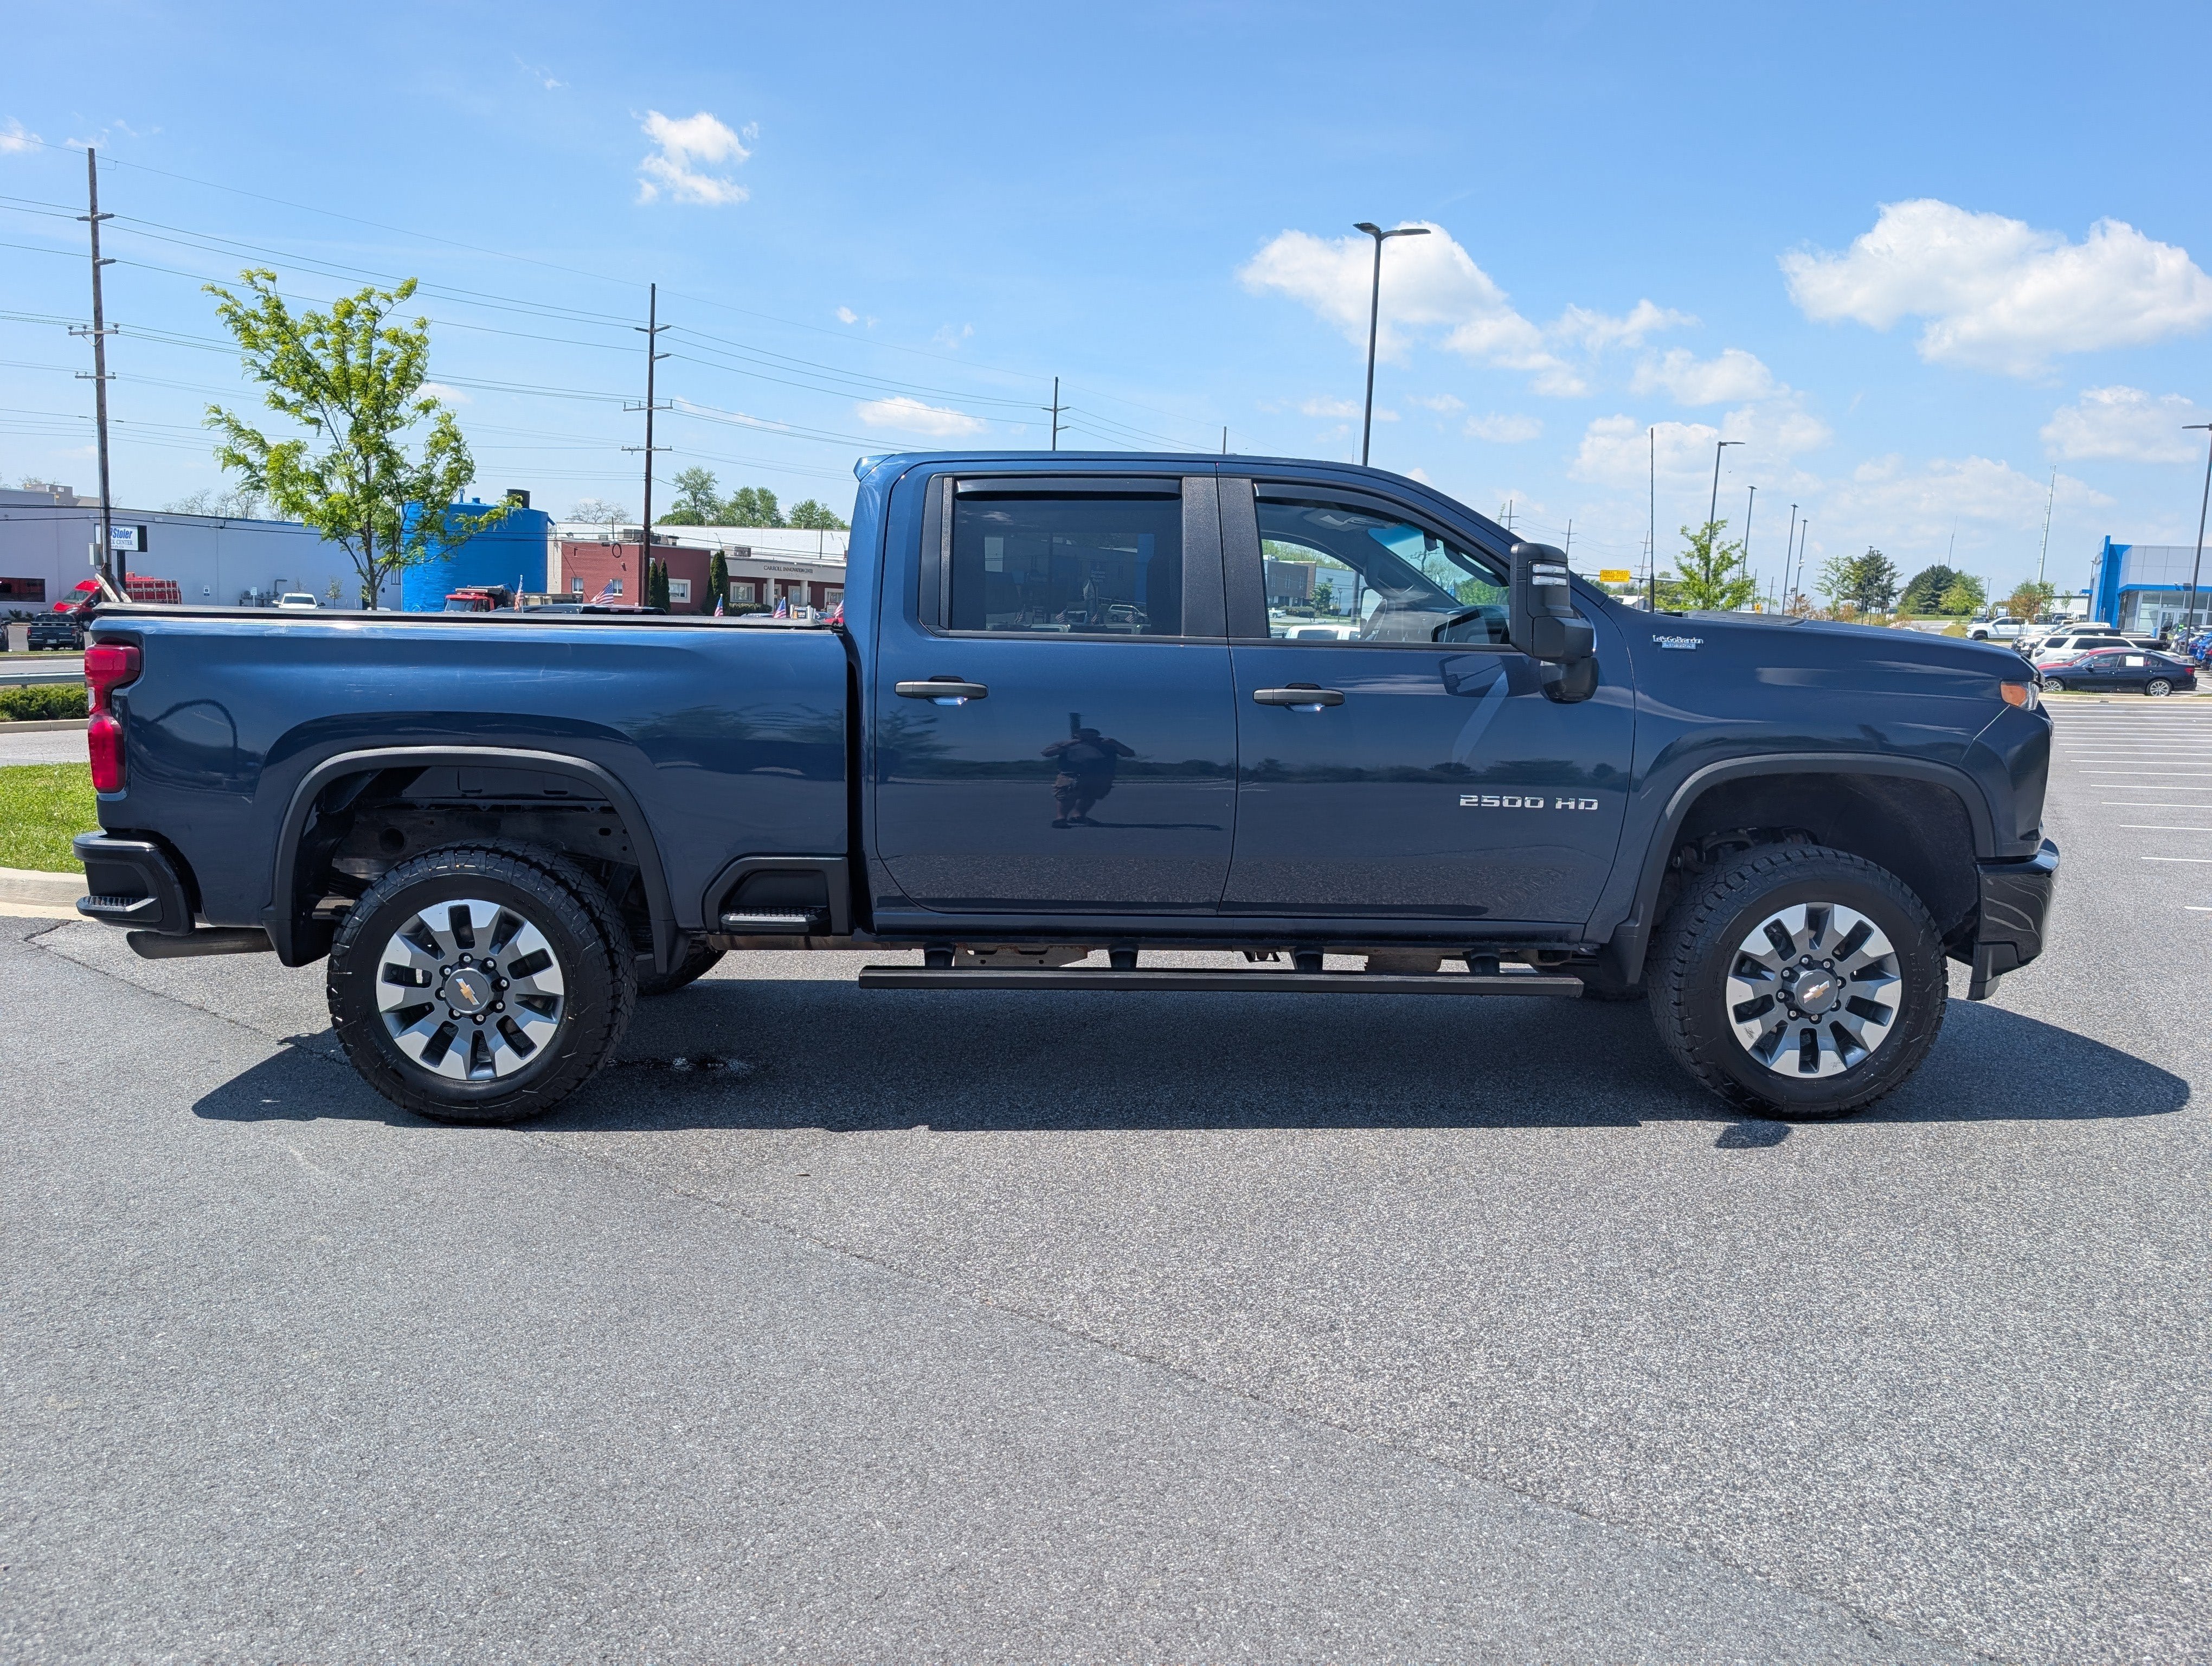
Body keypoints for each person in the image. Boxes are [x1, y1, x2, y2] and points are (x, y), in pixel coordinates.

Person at [1041, 727, 1135, 827]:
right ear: (1076, 735)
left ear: (1097, 735)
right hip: (1070, 774)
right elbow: (1047, 753)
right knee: (1066, 796)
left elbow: (1130, 754)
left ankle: (1078, 816)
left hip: (1101, 775)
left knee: (1091, 796)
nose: (1088, 736)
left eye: (1091, 734)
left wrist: (1116, 743)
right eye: (1084, 734)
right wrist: (1066, 746)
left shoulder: (1107, 744)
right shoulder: (1065, 743)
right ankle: (1061, 819)